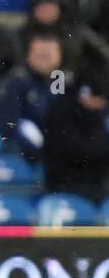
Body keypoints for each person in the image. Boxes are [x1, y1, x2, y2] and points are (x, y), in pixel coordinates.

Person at [0, 30, 63, 164]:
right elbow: (9, 124)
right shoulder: (17, 80)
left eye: (48, 55)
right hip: (26, 152)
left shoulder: (60, 79)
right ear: (29, 55)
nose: (44, 60)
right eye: (39, 55)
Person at [41, 71, 109, 202]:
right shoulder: (62, 113)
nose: (101, 104)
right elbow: (71, 148)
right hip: (65, 184)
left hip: (95, 184)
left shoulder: (97, 116)